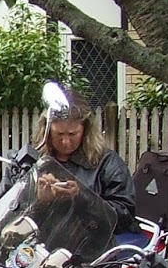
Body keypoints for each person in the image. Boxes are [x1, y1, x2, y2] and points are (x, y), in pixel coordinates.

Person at [36, 86, 139, 238]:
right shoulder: (34, 161)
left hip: (90, 250)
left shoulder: (108, 163)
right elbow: (8, 207)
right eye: (59, 134)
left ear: (85, 130)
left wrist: (82, 198)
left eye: (72, 134)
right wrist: (38, 199)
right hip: (39, 248)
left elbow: (125, 214)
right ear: (47, 130)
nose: (65, 141)